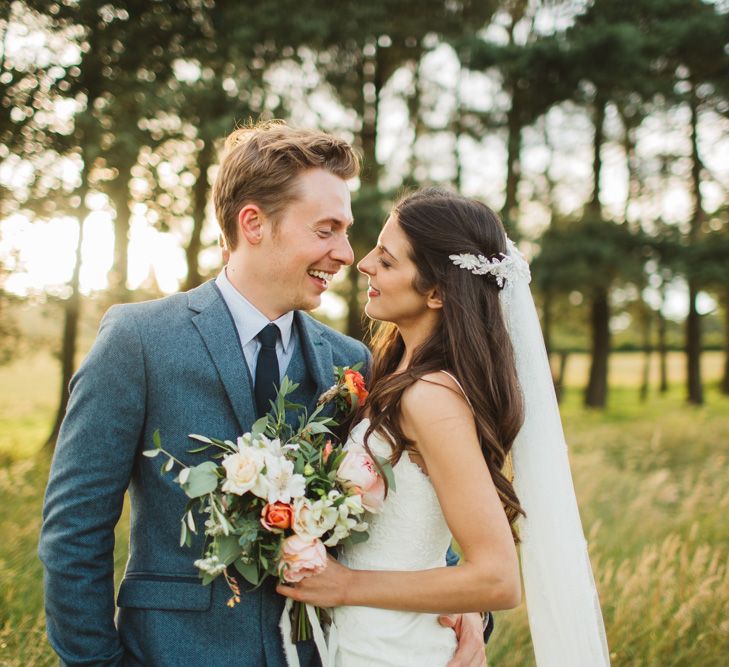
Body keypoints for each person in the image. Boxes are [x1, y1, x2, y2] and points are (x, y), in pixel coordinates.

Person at [38, 124, 487, 667]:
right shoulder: (139, 342)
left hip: (324, 652)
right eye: (327, 230)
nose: (347, 254)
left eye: (346, 232)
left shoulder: (351, 362)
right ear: (253, 223)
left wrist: (464, 606)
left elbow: (402, 501)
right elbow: (73, 531)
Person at [277, 189, 611, 667]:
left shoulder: (430, 397)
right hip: (365, 636)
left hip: (393, 648)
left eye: (388, 261)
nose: (364, 263)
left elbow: (497, 579)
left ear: (436, 292)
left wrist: (348, 584)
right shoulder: (394, 375)